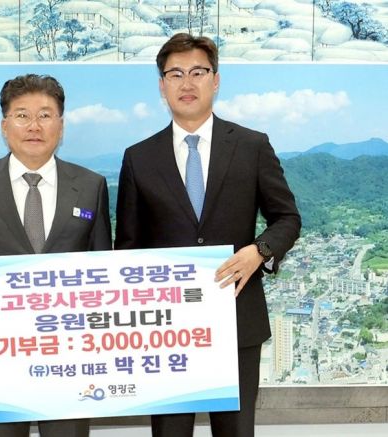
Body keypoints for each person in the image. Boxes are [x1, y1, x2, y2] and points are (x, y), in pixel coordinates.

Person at [115, 33, 301, 437]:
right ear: (161, 85)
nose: (187, 83)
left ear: (215, 80)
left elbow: (287, 218)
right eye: (175, 74)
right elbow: (127, 247)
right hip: (165, 328)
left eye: (198, 72)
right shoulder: (138, 157)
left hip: (237, 319)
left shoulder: (251, 145)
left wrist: (259, 251)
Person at [0, 74, 112, 437]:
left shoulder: (92, 185)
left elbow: (104, 265)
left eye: (45, 115)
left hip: (71, 351)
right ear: (4, 126)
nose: (34, 126)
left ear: (61, 125)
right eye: (22, 115)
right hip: (0, 349)